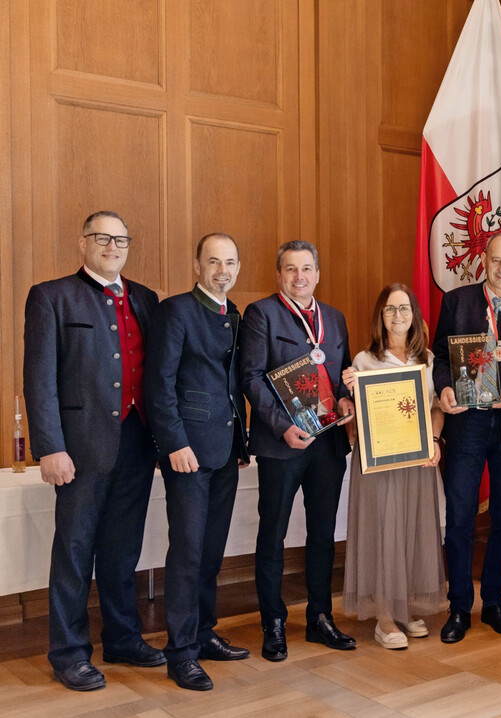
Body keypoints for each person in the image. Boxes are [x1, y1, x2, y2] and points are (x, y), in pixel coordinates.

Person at [24, 211, 162, 691]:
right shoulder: (51, 296)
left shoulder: (146, 299)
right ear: (82, 243)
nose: (112, 246)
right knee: (75, 550)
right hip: (79, 449)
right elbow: (39, 379)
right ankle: (68, 653)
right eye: (102, 237)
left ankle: (122, 638)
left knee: (123, 550)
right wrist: (50, 447)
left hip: (137, 443)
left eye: (120, 239)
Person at [238, 240, 356, 661]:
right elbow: (251, 378)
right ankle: (273, 622)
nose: (299, 277)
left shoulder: (335, 319)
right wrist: (283, 427)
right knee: (273, 534)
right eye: (290, 269)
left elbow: (341, 376)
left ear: (317, 274)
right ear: (279, 275)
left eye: (306, 268)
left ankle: (320, 618)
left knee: (323, 534)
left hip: (327, 445)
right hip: (281, 445)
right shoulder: (261, 314)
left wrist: (345, 399)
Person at [143, 233, 250, 690]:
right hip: (187, 451)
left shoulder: (235, 314)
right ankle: (181, 652)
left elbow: (233, 383)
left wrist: (241, 443)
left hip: (225, 451)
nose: (222, 270)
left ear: (238, 267)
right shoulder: (176, 311)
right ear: (197, 265)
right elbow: (159, 384)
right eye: (213, 262)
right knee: (187, 553)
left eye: (230, 262)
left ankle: (204, 634)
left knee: (211, 551)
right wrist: (174, 443)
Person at [431, 233, 501, 643]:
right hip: (466, 424)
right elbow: (439, 357)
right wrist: (445, 387)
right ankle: (459, 606)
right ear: (484, 260)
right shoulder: (457, 302)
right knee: (459, 517)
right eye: (496, 260)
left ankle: (495, 601)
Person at [340, 283, 446, 650]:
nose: (397, 316)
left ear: (414, 315)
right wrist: (349, 394)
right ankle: (384, 618)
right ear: (380, 316)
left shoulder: (427, 359)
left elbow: (436, 407)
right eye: (389, 309)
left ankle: (404, 608)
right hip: (380, 464)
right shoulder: (363, 361)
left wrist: (435, 440)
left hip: (417, 461)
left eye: (404, 308)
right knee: (383, 532)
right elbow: (355, 419)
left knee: (411, 530)